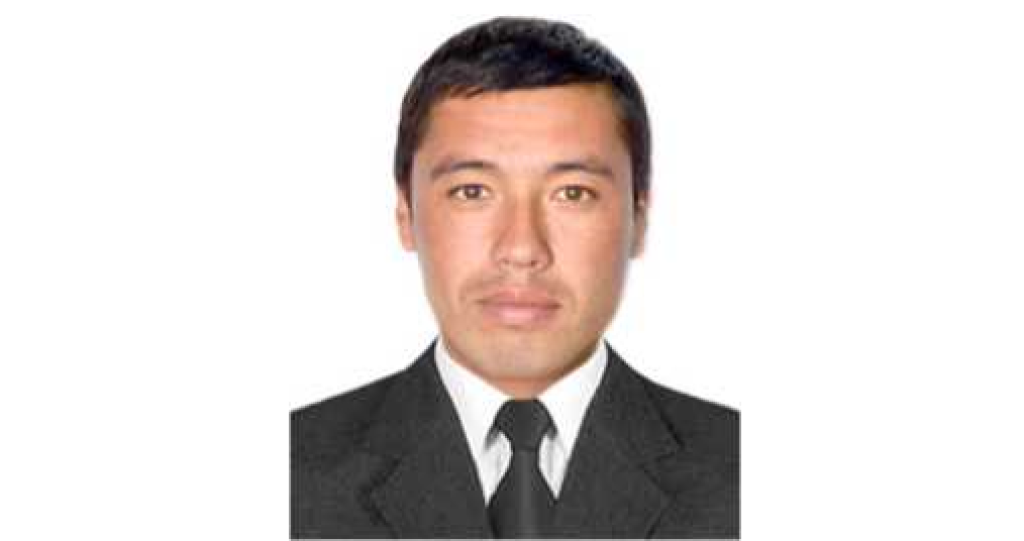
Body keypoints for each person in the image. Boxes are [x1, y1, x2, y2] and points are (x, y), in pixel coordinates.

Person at [291, 16, 739, 539]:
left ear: (639, 220)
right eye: (472, 192)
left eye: (572, 193)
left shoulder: (745, 474)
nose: (522, 249)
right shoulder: (289, 476)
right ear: (405, 214)